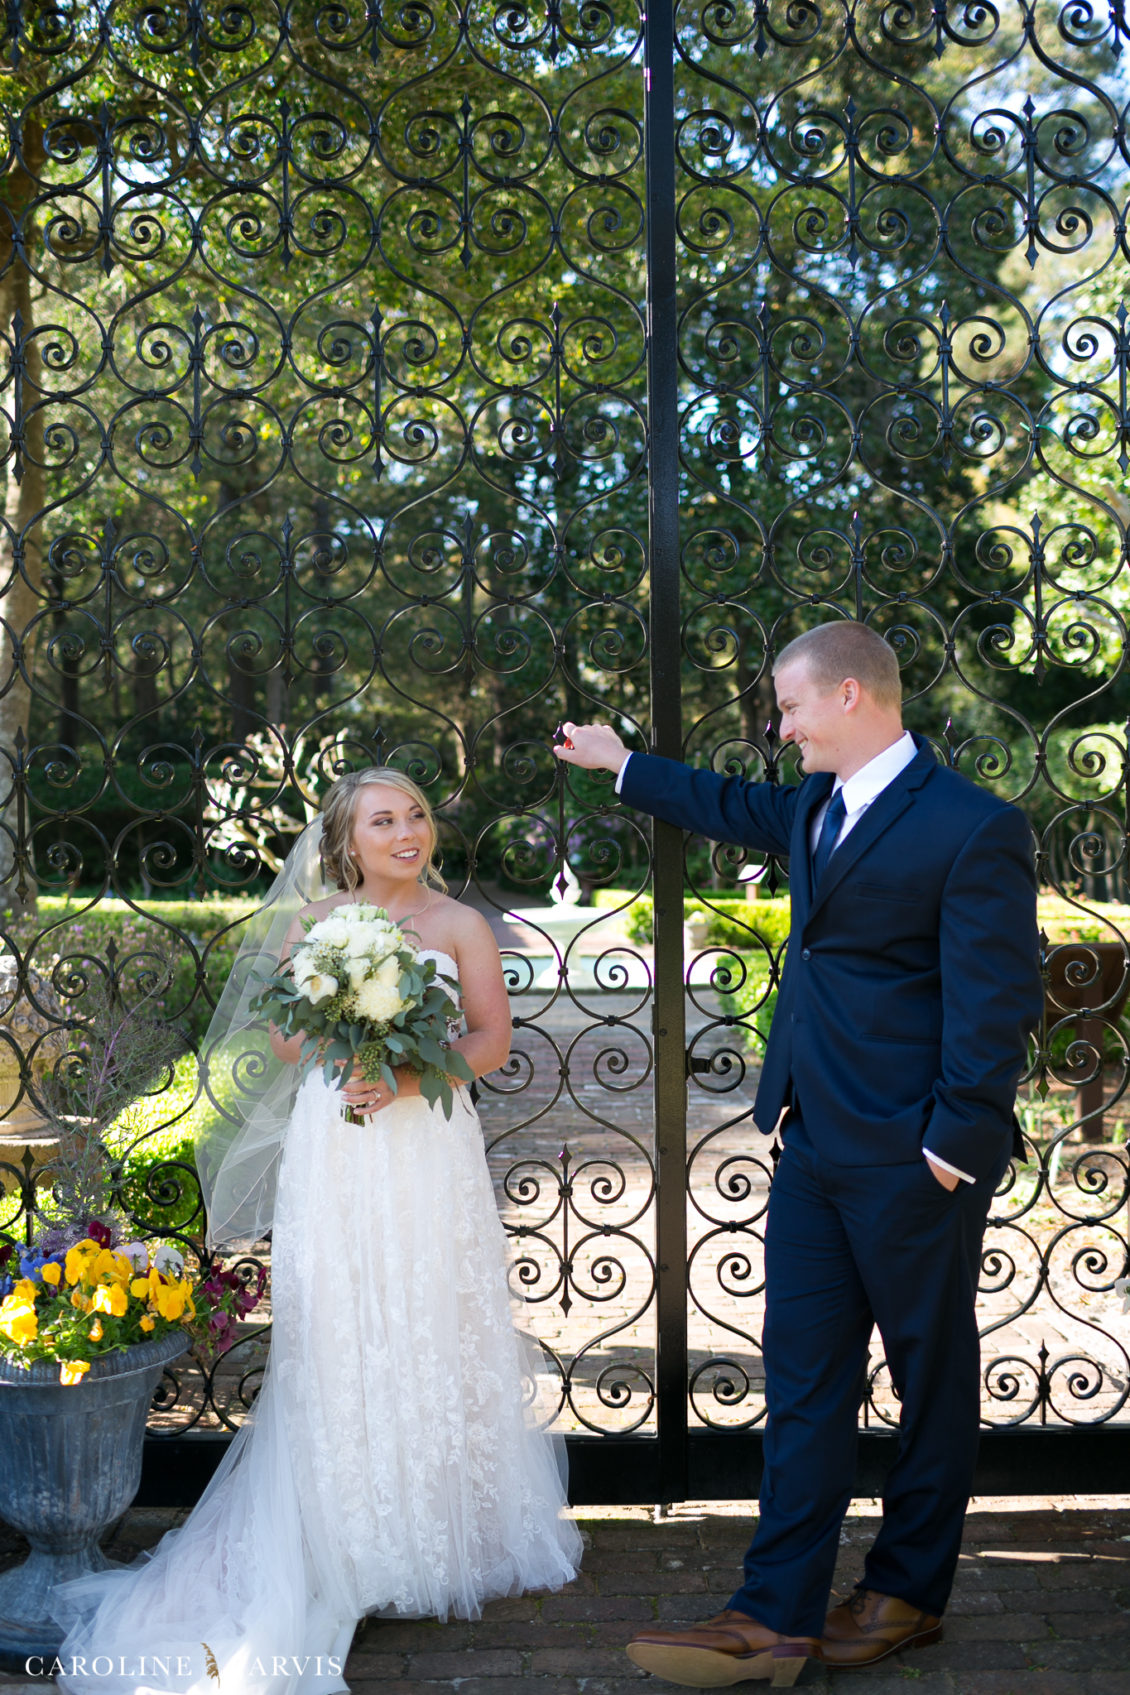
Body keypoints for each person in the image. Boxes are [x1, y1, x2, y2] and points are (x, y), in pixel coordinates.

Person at [554, 622, 1042, 1688]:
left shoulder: (971, 827)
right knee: (804, 1381)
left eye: (790, 708)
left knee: (929, 1382)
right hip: (810, 1142)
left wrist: (949, 1152)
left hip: (912, 1159)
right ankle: (772, 1616)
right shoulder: (817, 805)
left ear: (853, 697)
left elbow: (994, 1003)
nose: (780, 729)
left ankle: (907, 1595)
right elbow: (727, 804)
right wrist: (619, 762)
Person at [50, 768, 582, 1695]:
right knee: (340, 1326)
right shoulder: (314, 924)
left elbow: (491, 1039)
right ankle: (344, 1528)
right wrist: (341, 1002)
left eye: (416, 813)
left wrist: (410, 1074)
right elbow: (290, 1046)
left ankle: (435, 1524)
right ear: (347, 839)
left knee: (429, 1314)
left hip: (425, 1145)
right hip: (336, 1146)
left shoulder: (460, 925)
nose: (408, 830)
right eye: (385, 819)